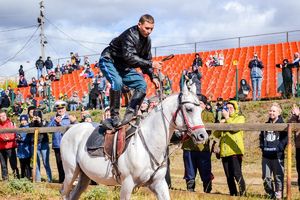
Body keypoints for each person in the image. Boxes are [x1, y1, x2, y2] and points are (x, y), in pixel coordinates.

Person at [98, 14, 160, 129]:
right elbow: (129, 57)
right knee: (117, 82)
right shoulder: (130, 35)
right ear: (139, 25)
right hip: (109, 60)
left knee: (141, 84)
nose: (149, 31)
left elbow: (146, 60)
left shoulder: (147, 41)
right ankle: (114, 116)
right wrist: (151, 64)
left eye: (151, 29)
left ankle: (130, 113)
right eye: (147, 28)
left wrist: (153, 76)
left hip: (123, 66)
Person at [212, 100, 246, 196]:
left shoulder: (240, 118)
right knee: (228, 176)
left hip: (235, 151)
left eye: (231, 108)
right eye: (227, 108)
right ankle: (233, 194)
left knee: (237, 174)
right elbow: (216, 134)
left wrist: (227, 118)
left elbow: (234, 128)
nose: (229, 110)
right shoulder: (224, 120)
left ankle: (243, 194)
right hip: (225, 152)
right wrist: (220, 125)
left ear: (235, 109)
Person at [182, 94, 214, 193]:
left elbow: (210, 129)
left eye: (200, 103)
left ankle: (207, 189)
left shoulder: (208, 115)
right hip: (188, 147)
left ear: (204, 105)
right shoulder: (188, 113)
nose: (198, 105)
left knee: (205, 170)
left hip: (202, 148)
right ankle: (190, 189)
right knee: (189, 171)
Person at [259, 103, 287, 199]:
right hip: (266, 155)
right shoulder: (265, 125)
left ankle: (279, 194)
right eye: (270, 110)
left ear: (278, 113)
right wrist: (262, 147)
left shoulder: (283, 125)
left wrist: (279, 148)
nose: (271, 113)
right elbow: (261, 137)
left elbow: (285, 139)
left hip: (277, 156)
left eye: (274, 111)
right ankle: (271, 194)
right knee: (266, 177)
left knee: (278, 177)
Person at [48, 100, 70, 183]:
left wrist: (60, 123)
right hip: (57, 144)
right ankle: (61, 180)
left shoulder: (69, 118)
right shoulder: (53, 118)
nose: (60, 110)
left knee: (67, 163)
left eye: (62, 108)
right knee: (59, 163)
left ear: (65, 108)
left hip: (67, 145)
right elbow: (48, 129)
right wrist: (54, 121)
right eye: (58, 109)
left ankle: (68, 180)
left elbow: (70, 129)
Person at [30, 109, 52, 182]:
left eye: (38, 115)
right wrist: (33, 121)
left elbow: (46, 129)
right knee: (36, 163)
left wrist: (40, 121)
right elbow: (29, 130)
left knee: (46, 162)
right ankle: (38, 180)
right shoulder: (31, 122)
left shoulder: (44, 121)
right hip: (35, 143)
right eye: (35, 115)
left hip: (43, 143)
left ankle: (49, 179)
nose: (36, 117)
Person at [0, 110, 20, 180]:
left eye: (4, 116)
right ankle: (5, 178)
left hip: (10, 146)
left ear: (6, 116)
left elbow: (15, 133)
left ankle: (17, 178)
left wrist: (9, 138)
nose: (2, 117)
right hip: (1, 147)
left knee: (13, 163)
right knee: (3, 165)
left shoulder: (11, 123)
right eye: (1, 116)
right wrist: (2, 139)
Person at [288, 103, 300, 191]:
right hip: (298, 146)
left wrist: (298, 114)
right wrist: (294, 116)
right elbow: (289, 126)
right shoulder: (297, 113)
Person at [17, 114, 32, 179]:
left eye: (24, 120)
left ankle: (28, 176)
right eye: (22, 120)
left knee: (27, 164)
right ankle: (22, 177)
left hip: (27, 149)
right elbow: (16, 136)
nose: (23, 122)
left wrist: (22, 139)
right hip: (20, 149)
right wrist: (17, 138)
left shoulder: (29, 127)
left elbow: (30, 138)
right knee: (22, 165)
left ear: (27, 120)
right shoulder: (19, 128)